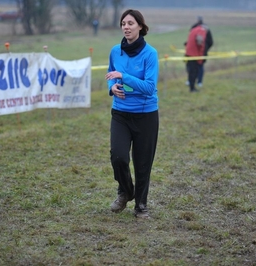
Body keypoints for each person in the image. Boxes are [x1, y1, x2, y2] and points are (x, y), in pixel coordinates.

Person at [105, 9, 159, 219]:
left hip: (146, 115)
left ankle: (141, 206)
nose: (126, 27)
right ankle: (126, 191)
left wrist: (124, 77)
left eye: (130, 23)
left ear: (140, 27)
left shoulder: (150, 54)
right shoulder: (115, 51)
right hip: (120, 113)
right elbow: (111, 74)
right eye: (123, 23)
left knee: (143, 162)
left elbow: (149, 87)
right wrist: (112, 87)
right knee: (118, 157)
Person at [185, 16, 214, 91]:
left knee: (191, 70)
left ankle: (192, 86)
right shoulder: (202, 30)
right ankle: (192, 88)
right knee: (194, 71)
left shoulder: (194, 29)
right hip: (194, 54)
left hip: (189, 53)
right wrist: (201, 56)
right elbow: (200, 43)